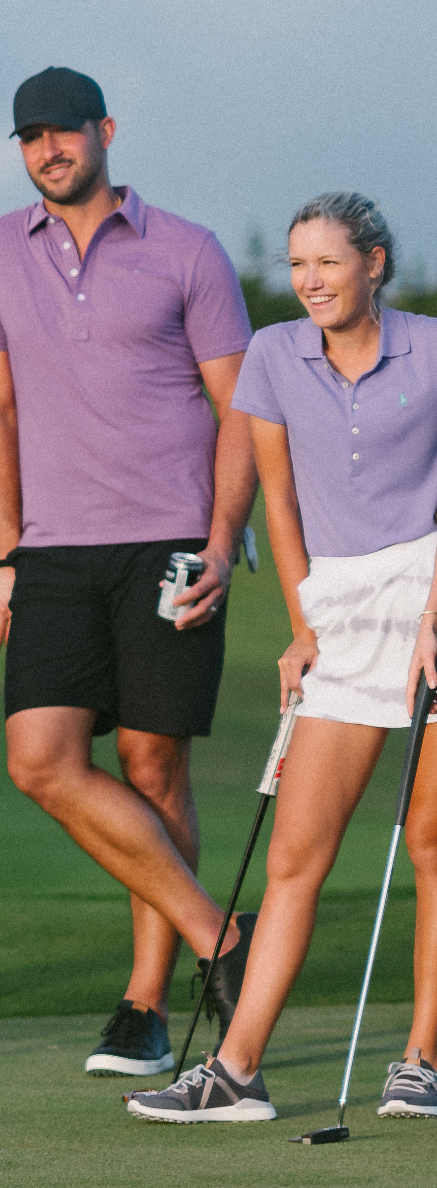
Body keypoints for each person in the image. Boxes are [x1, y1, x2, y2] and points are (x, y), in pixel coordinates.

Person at [0, 67, 258, 1078]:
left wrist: (221, 543)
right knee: (38, 758)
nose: (48, 149)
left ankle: (144, 1004)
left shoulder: (188, 250)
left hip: (171, 541)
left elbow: (241, 415)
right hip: (51, 547)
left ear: (104, 132)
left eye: (64, 132)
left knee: (151, 765)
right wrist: (5, 553)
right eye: (30, 137)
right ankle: (223, 939)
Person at [130, 195, 437, 1124]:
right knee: (296, 858)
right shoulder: (270, 354)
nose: (309, 280)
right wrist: (304, 627)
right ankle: (235, 1070)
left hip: (430, 596)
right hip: (340, 609)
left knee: (431, 848)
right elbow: (279, 501)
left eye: (328, 263)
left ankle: (421, 1060)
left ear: (373, 264)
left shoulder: (431, 348)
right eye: (298, 264)